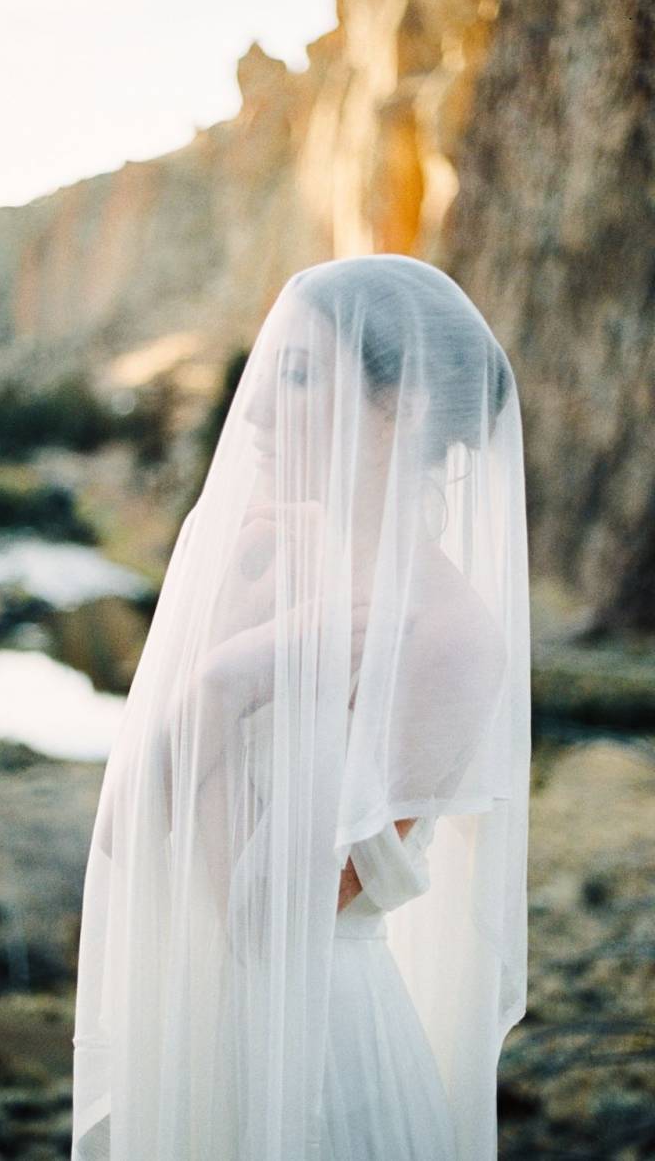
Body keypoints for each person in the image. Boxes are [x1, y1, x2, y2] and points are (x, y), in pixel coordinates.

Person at [71, 254, 531, 1161]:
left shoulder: (447, 637)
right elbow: (126, 825)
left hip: (321, 1062)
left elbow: (268, 923)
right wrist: (233, 671)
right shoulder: (271, 559)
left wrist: (225, 684)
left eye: (299, 373)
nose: (259, 406)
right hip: (202, 1031)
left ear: (395, 408)